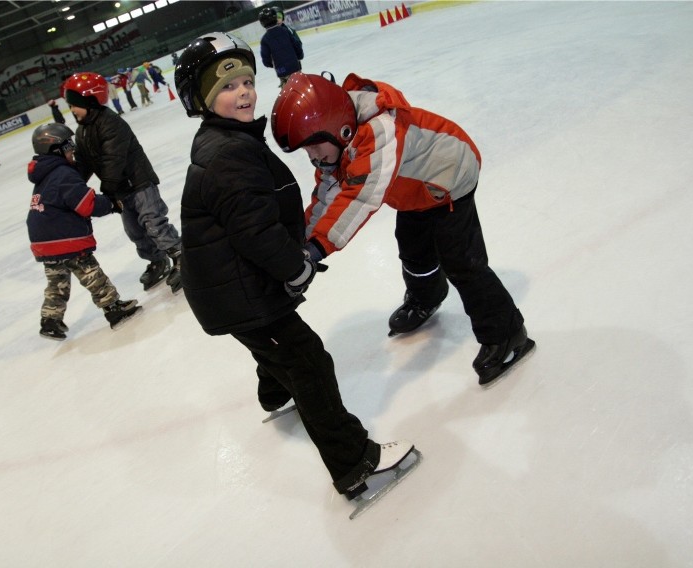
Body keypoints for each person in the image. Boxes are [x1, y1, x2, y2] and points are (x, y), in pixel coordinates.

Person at [174, 32, 418, 504]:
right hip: (244, 292)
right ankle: (354, 464)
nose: (243, 92)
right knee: (307, 362)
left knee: (274, 351)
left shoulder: (228, 139)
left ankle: (273, 394)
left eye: (246, 80)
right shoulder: (229, 153)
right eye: (227, 87)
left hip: (228, 289)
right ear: (201, 100)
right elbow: (255, 232)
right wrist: (295, 268)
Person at [271, 73, 536, 387]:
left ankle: (507, 334)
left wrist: (315, 251)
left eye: (313, 146)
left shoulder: (380, 130)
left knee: (461, 262)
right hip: (414, 192)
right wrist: (300, 242)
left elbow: (360, 196)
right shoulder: (339, 142)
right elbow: (328, 195)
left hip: (448, 178)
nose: (312, 156)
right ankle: (427, 295)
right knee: (412, 248)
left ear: (336, 124)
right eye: (306, 150)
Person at [62, 72, 183, 293]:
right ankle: (157, 260)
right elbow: (84, 163)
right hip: (120, 190)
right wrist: (71, 182)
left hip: (138, 182)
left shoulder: (110, 123)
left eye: (75, 105)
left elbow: (113, 159)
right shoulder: (82, 131)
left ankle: (179, 254)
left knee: (152, 222)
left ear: (90, 101)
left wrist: (106, 190)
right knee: (135, 231)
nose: (72, 110)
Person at [26, 123, 141, 340]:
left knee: (57, 282)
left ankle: (50, 320)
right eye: (69, 146)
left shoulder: (45, 174)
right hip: (65, 237)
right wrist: (111, 204)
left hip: (43, 240)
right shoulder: (62, 174)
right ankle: (113, 308)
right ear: (55, 150)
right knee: (91, 273)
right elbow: (85, 204)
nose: (73, 151)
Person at [258, 7, 303, 87]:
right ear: (275, 18)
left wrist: (271, 64)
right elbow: (296, 44)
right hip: (294, 66)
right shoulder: (285, 31)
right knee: (300, 86)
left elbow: (266, 58)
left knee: (288, 91)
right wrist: (299, 56)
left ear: (262, 23)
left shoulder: (265, 39)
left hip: (281, 71)